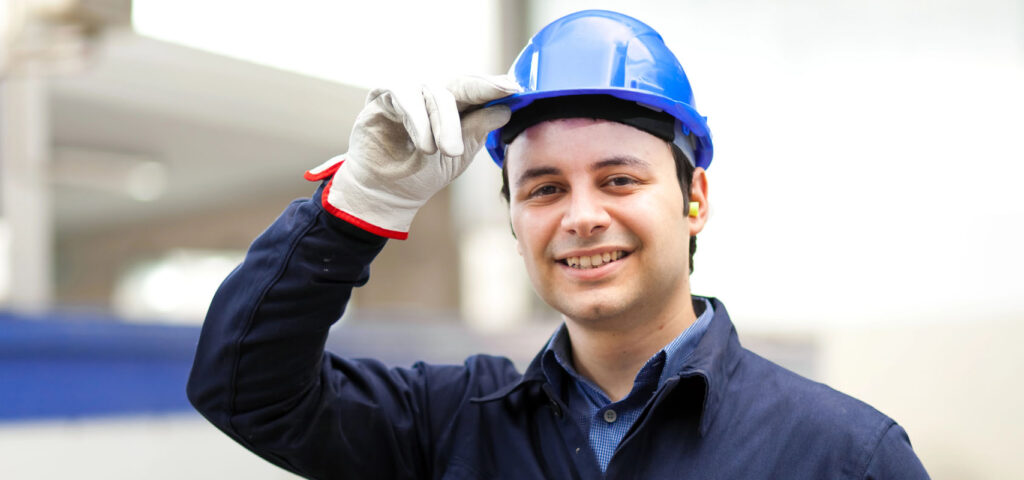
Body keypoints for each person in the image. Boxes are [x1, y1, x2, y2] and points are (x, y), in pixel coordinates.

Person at [187, 10, 929, 479]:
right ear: (516, 224)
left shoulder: (843, 456)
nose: (580, 216)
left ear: (694, 199)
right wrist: (355, 208)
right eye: (543, 189)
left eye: (618, 180)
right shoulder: (450, 428)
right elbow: (245, 390)